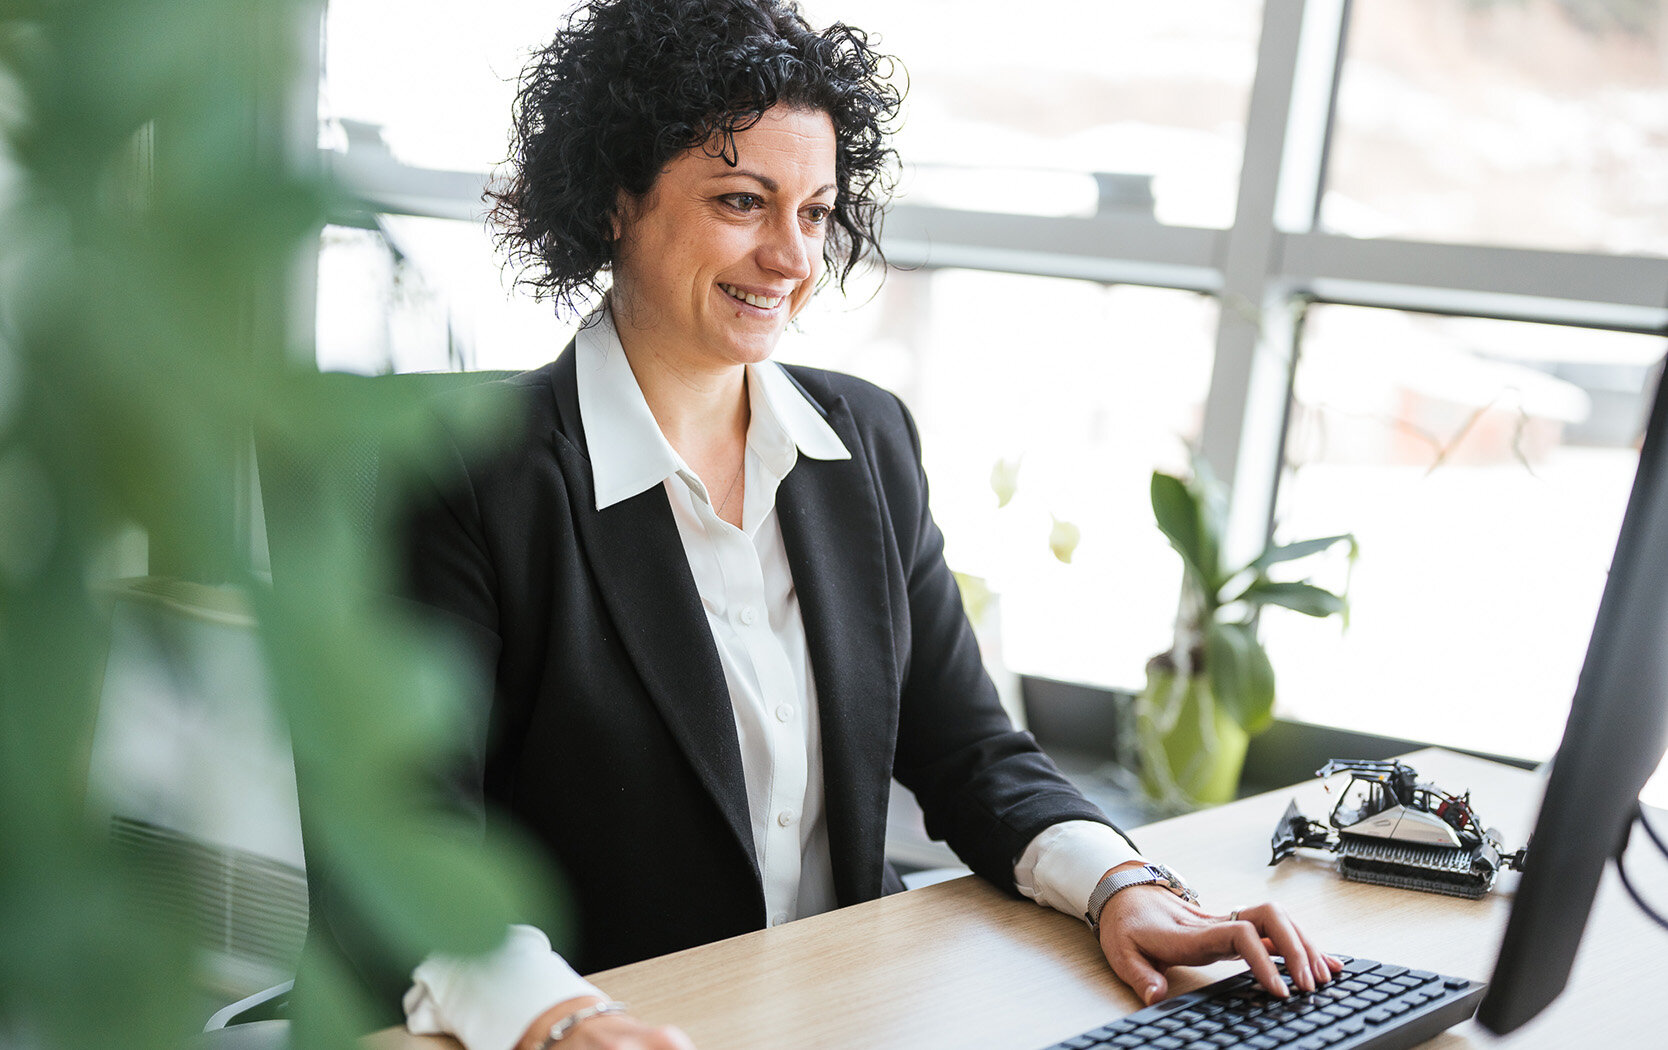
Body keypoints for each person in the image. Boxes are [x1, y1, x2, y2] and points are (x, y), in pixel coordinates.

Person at [349, 2, 1342, 1048]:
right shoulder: (465, 475)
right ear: (612, 201)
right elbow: (403, 838)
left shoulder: (862, 441)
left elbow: (966, 746)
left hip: (850, 1007)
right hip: (635, 1020)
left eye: (815, 212)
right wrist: (556, 1019)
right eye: (743, 202)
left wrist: (1124, 887)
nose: (790, 258)